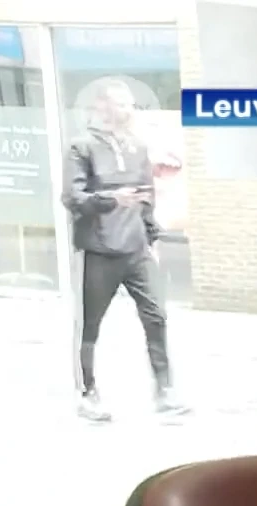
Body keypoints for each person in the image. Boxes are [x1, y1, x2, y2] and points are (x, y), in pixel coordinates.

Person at [63, 79, 182, 421]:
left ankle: (165, 391)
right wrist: (112, 199)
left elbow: (147, 198)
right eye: (122, 103)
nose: (129, 110)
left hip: (136, 250)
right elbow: (73, 199)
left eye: (131, 104)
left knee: (156, 316)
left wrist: (151, 238)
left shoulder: (137, 147)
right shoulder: (81, 148)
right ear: (103, 107)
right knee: (89, 325)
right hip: (98, 250)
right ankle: (87, 393)